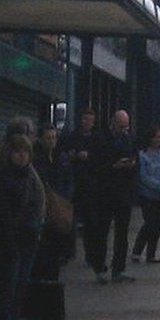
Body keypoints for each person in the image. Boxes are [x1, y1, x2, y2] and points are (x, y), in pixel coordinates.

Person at [0, 134, 45, 320]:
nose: (22, 156)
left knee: (19, 288)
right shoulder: (4, 178)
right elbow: (2, 212)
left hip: (29, 237)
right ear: (10, 154)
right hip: (10, 240)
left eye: (25, 152)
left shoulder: (31, 176)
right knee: (8, 290)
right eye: (17, 152)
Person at [85, 110, 138, 284]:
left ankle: (118, 268)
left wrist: (131, 165)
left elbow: (134, 159)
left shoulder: (128, 139)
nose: (123, 129)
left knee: (122, 234)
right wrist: (113, 167)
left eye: (126, 126)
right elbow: (93, 166)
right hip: (104, 193)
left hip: (123, 193)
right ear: (113, 123)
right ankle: (99, 267)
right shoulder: (100, 139)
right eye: (121, 126)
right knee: (101, 231)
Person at [32, 124, 74, 283]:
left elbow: (69, 179)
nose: (51, 141)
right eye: (48, 138)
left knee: (55, 251)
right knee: (43, 251)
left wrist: (66, 197)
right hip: (43, 209)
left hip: (59, 209)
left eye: (54, 138)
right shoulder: (36, 159)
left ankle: (51, 281)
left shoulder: (61, 158)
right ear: (41, 139)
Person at [61, 108, 99, 262]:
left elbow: (100, 157)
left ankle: (90, 254)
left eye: (89, 120)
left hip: (89, 184)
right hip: (74, 181)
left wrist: (90, 156)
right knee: (71, 218)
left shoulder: (96, 139)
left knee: (90, 221)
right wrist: (74, 156)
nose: (86, 122)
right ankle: (69, 252)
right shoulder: (72, 137)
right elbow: (64, 155)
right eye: (84, 119)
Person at [131, 127, 160, 264]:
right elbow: (144, 177)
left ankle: (151, 254)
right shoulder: (142, 156)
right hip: (147, 195)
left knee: (157, 225)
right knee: (149, 224)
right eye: (155, 137)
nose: (158, 140)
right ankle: (137, 251)